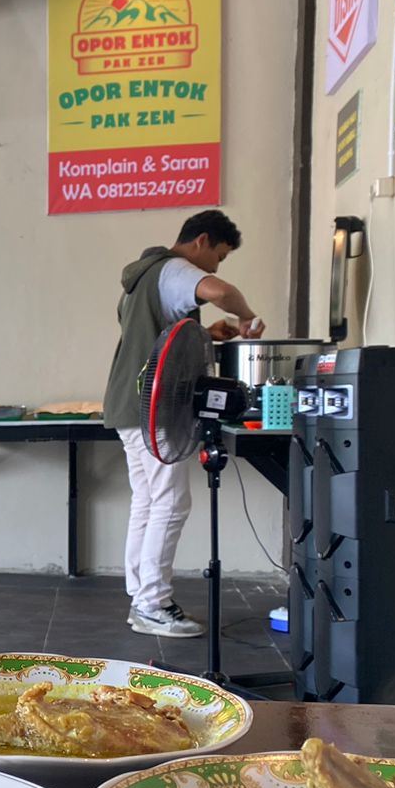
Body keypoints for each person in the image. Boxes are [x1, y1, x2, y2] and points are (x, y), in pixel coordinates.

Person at [101, 210, 264, 638]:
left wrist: (204, 333)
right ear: (202, 240)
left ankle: (141, 594)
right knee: (171, 503)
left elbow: (159, 342)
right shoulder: (174, 269)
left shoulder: (141, 279)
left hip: (127, 403)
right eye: (219, 255)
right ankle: (152, 605)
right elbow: (221, 290)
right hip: (152, 408)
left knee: (149, 501)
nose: (214, 266)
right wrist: (247, 316)